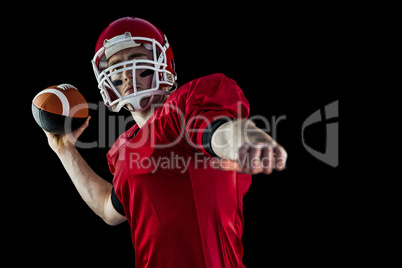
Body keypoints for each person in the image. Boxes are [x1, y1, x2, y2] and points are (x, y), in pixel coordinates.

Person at [43, 17, 287, 268]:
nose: (127, 75)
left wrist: (244, 142)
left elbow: (217, 130)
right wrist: (64, 150)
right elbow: (109, 210)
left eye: (136, 61)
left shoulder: (186, 104)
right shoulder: (123, 149)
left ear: (163, 63)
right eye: (116, 67)